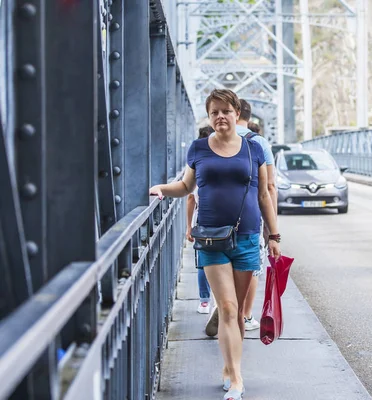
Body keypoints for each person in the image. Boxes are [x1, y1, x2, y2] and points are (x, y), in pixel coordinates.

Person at [150, 89, 281, 400]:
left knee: (236, 315)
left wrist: (273, 236)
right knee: (226, 307)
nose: (220, 116)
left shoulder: (254, 149)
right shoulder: (198, 148)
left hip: (247, 237)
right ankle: (236, 379)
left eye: (226, 110)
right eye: (214, 112)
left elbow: (264, 195)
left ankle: (229, 366)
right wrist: (161, 190)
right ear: (209, 118)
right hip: (210, 238)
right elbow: (185, 186)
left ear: (237, 114)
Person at [205, 100, 277, 335]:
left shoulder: (211, 139)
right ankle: (243, 314)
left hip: (213, 223)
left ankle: (223, 305)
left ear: (237, 114)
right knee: (251, 267)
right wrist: (272, 229)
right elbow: (269, 188)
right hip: (248, 221)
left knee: (219, 262)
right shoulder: (259, 143)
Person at [186, 125, 215, 314]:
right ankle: (220, 300)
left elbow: (190, 197)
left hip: (201, 222)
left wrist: (188, 227)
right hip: (224, 222)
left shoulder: (199, 164)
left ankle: (204, 301)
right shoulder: (220, 162)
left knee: (203, 262)